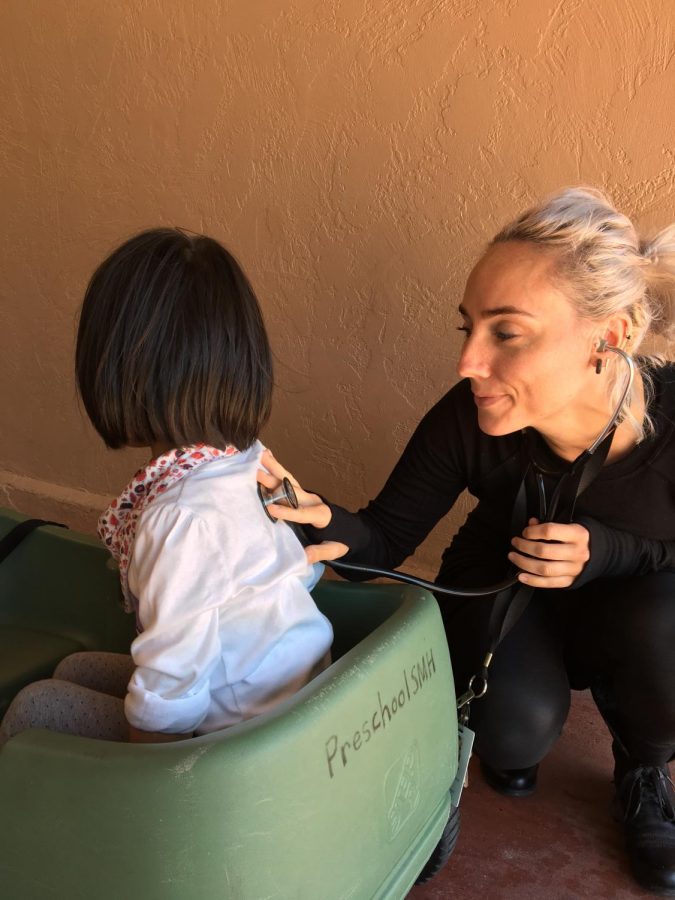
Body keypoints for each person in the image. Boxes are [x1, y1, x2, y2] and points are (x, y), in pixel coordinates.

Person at [256, 188, 675, 895]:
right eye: (468, 328)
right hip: (504, 577)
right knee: (510, 737)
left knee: (663, 628)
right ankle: (523, 712)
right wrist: (315, 517)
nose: (467, 361)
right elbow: (383, 541)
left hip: (640, 599)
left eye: (505, 333)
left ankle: (642, 766)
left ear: (612, 333)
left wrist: (604, 551)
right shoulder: (468, 416)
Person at [0, 228, 332, 746]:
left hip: (239, 740)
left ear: (118, 368)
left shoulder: (180, 517)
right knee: (75, 667)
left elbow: (171, 694)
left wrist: (146, 784)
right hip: (286, 693)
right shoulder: (247, 459)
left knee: (35, 707)